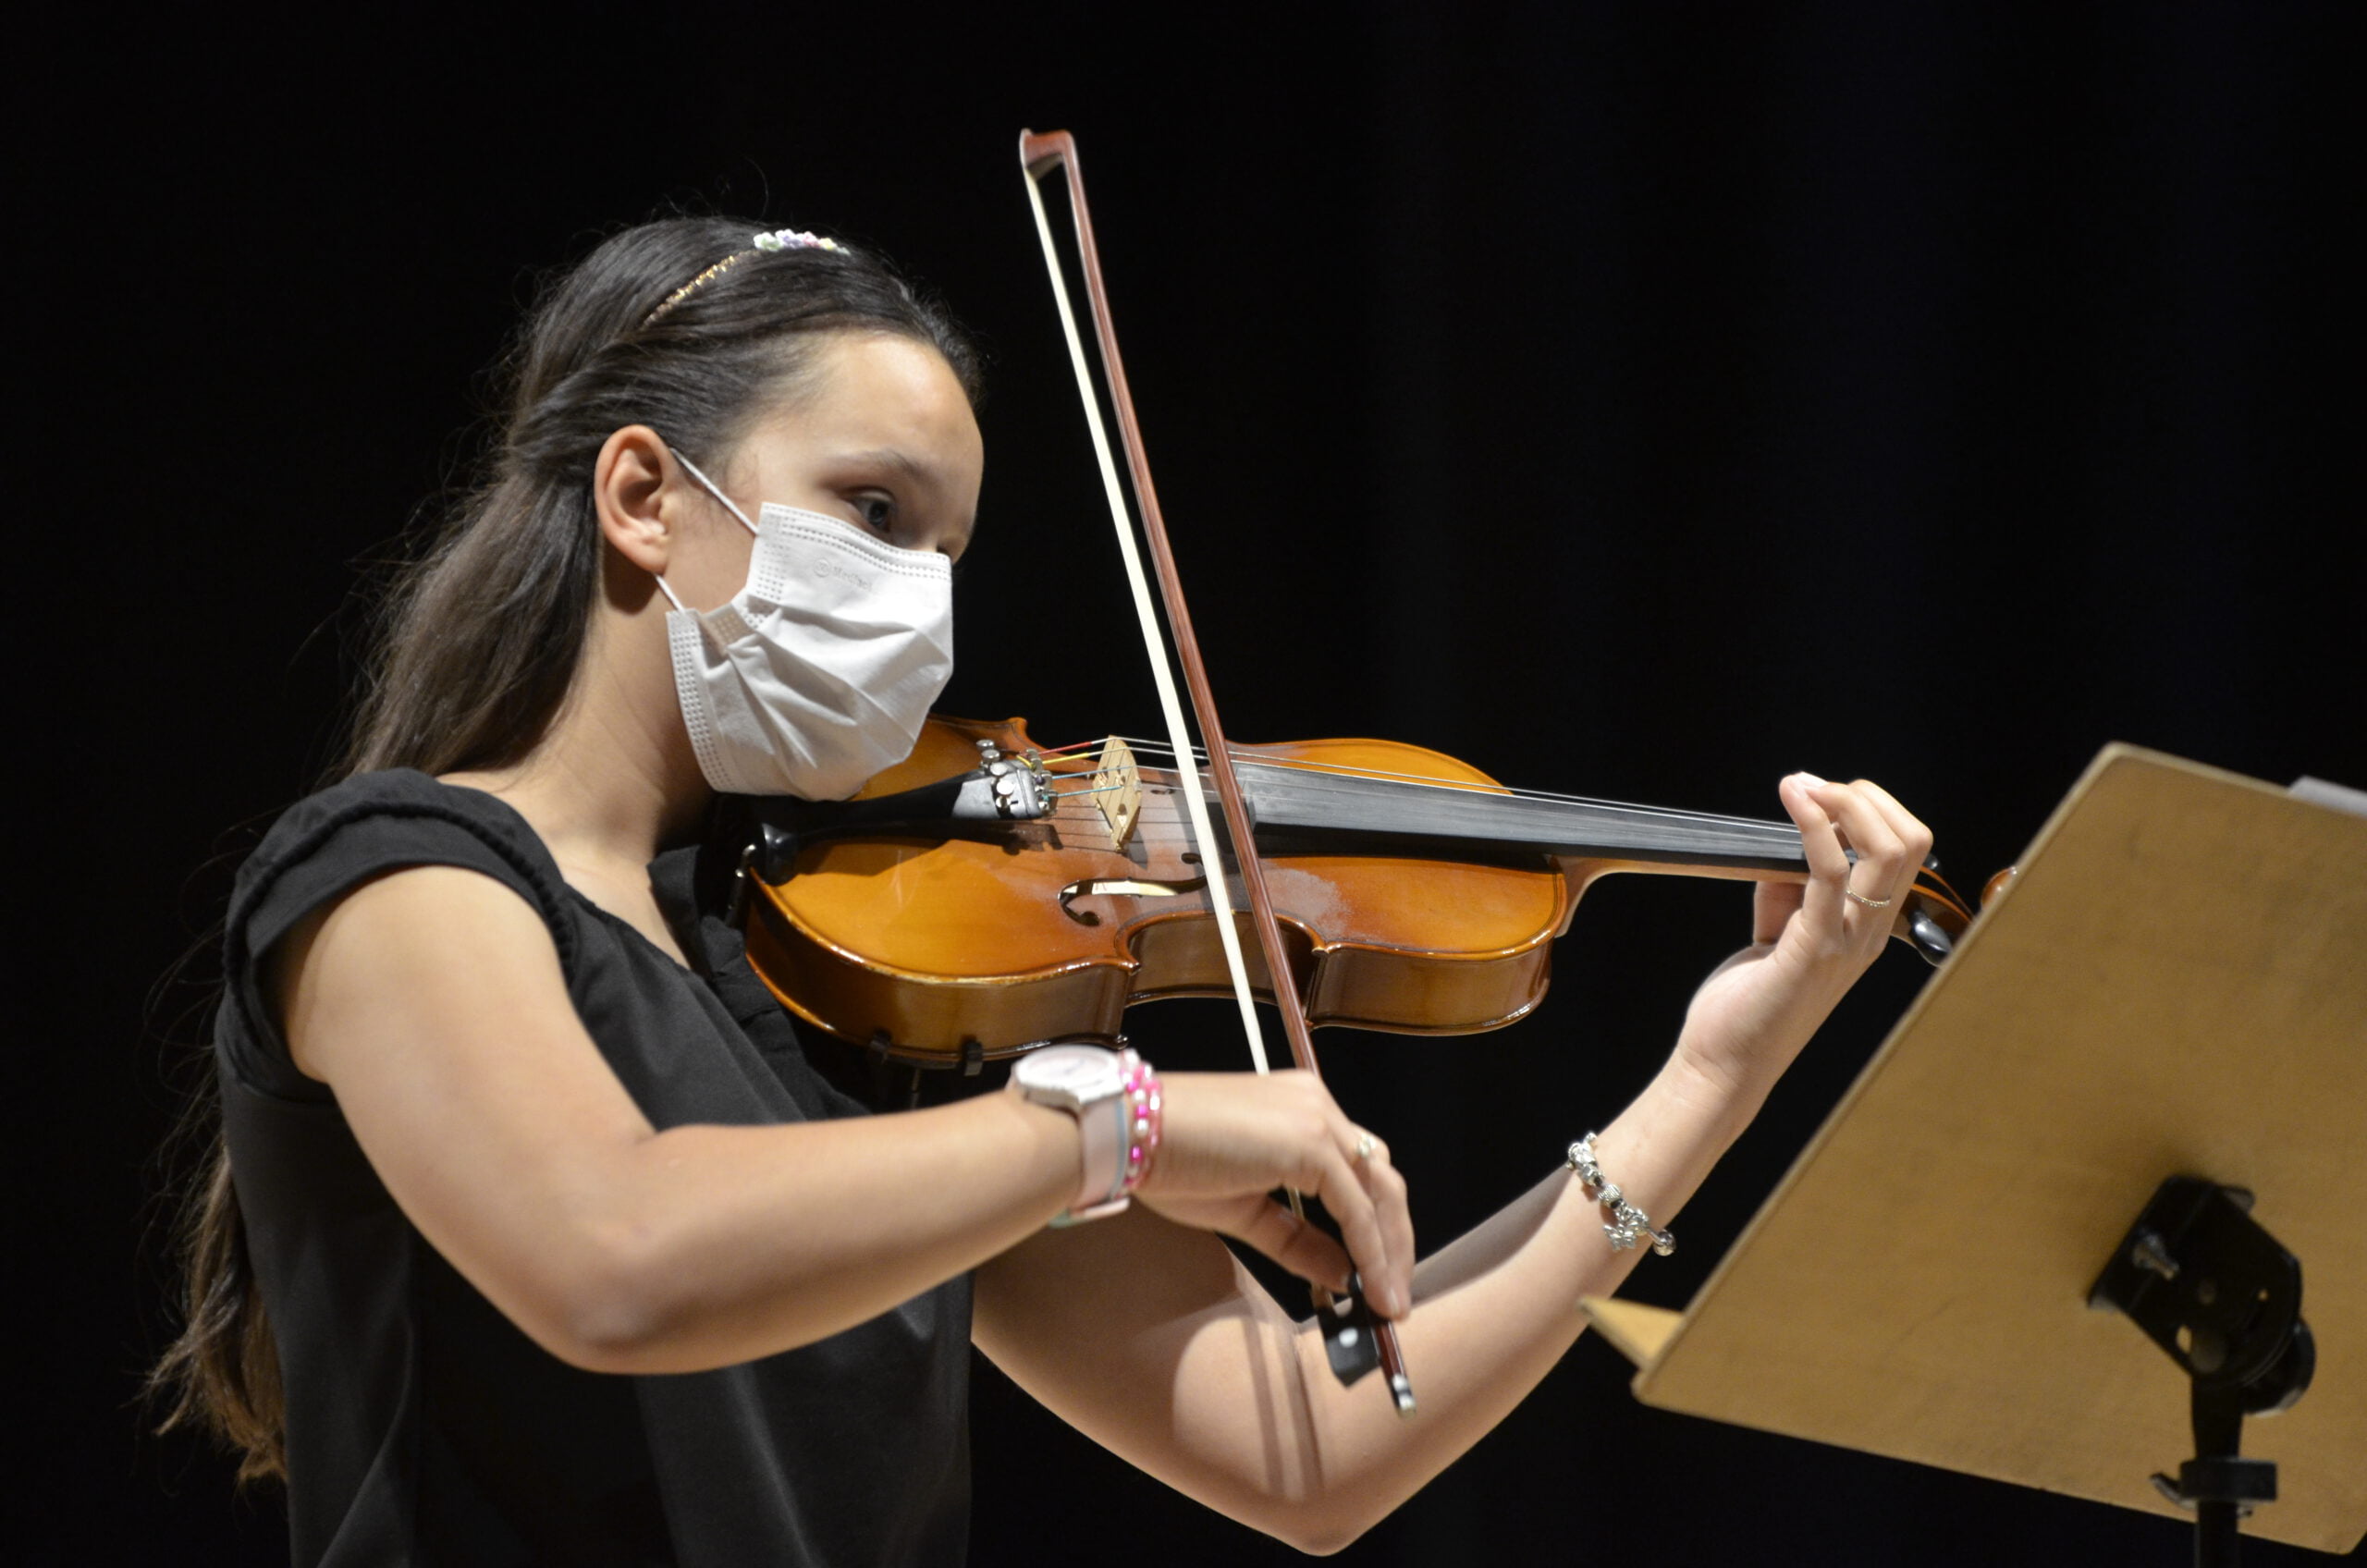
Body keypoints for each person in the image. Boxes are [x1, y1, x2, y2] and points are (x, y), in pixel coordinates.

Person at [153, 214, 1934, 1564]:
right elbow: (618, 1257)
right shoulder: (397, 882)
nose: (924, 606)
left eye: (949, 550)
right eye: (873, 508)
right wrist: (1124, 1127)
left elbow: (1312, 1456)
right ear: (643, 495)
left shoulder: (847, 989)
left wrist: (1720, 1071)